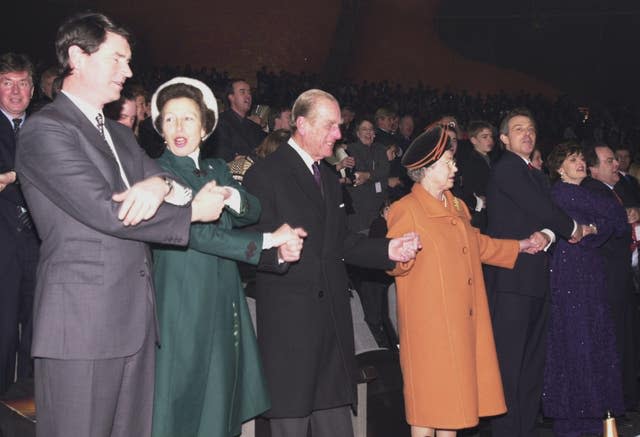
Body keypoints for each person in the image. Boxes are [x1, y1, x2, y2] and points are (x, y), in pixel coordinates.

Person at [14, 12, 227, 437]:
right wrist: (191, 213)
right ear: (78, 57)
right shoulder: (46, 130)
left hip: (134, 321)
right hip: (82, 325)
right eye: (117, 59)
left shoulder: (120, 134)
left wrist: (156, 181)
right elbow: (108, 212)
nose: (127, 72)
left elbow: (169, 181)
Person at [243, 89, 421, 437]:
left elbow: (340, 242)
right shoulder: (266, 174)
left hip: (333, 334)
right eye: (330, 126)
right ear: (302, 124)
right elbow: (250, 244)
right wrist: (278, 251)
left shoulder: (327, 176)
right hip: (291, 334)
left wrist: (388, 249)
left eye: (339, 126)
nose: (339, 135)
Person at [149, 77, 305, 437]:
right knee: (180, 392)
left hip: (221, 294)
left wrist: (234, 198)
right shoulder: (159, 173)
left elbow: (252, 209)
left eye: (188, 119)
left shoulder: (218, 168)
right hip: (182, 298)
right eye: (169, 119)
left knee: (220, 390)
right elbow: (201, 235)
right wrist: (269, 240)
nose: (178, 128)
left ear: (204, 128)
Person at [387, 124, 543, 437]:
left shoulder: (456, 206)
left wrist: (520, 246)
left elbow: (477, 244)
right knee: (427, 407)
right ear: (428, 170)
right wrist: (400, 258)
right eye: (448, 162)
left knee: (455, 405)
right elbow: (394, 261)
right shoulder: (406, 209)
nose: (455, 167)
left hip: (461, 321)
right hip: (429, 326)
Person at [485, 108, 585, 437]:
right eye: (518, 130)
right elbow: (543, 210)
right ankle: (504, 432)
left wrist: (552, 234)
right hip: (511, 281)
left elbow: (544, 221)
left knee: (531, 367)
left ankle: (523, 429)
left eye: (530, 129)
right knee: (510, 366)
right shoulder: (506, 169)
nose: (527, 134)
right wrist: (572, 228)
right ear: (503, 139)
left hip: (537, 280)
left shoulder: (537, 174)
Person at [542, 142, 625, 437]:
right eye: (571, 159)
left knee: (590, 339)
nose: (579, 162)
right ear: (559, 167)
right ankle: (577, 420)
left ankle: (589, 417)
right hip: (570, 277)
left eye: (580, 158)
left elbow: (614, 218)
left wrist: (590, 229)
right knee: (577, 341)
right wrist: (590, 229)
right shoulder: (560, 194)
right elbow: (611, 217)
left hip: (589, 272)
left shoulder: (585, 194)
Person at [583, 144, 638, 413]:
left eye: (615, 159)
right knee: (615, 338)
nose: (616, 164)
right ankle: (615, 403)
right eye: (608, 161)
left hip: (621, 276)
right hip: (607, 277)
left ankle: (625, 397)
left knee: (626, 336)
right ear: (593, 169)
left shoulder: (616, 190)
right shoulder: (593, 192)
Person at [0, 52, 38, 395]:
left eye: (22, 83)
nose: (15, 92)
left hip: (41, 246)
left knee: (37, 335)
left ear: (33, 88)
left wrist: (12, 175)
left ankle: (27, 410)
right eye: (6, 83)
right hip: (2, 248)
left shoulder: (46, 126)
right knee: (3, 334)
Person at [345, 118, 389, 233]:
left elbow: (384, 170)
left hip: (378, 204)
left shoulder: (380, 149)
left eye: (370, 129)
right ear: (358, 133)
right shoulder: (351, 149)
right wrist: (374, 176)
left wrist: (368, 175)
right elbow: (358, 174)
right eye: (364, 129)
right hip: (360, 205)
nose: (368, 132)